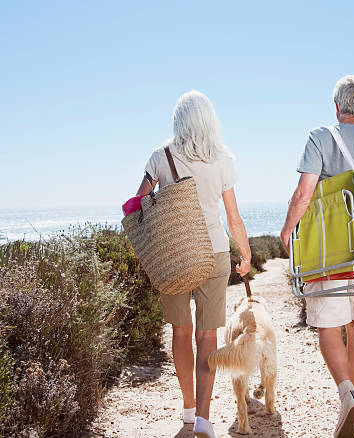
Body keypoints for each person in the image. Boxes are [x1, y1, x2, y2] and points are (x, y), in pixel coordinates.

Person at [280, 75, 354, 438]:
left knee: (329, 325)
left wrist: (287, 231)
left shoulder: (320, 137)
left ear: (336, 105)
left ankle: (346, 393)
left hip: (332, 247)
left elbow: (304, 194)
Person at [135, 90, 251, 438]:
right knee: (207, 336)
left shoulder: (161, 156)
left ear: (178, 121)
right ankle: (203, 417)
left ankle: (187, 407)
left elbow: (137, 205)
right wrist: (245, 255)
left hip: (174, 257)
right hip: (213, 253)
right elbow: (233, 218)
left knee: (181, 333)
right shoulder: (222, 159)